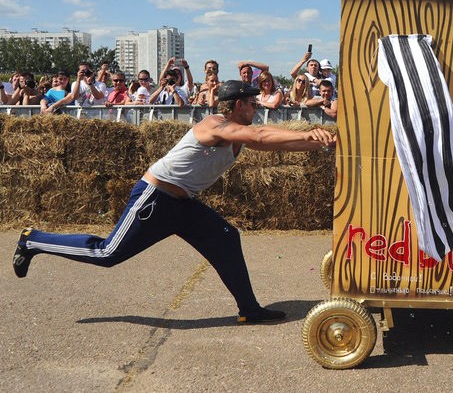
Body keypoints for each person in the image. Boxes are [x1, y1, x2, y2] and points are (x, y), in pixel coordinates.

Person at [12, 80, 337, 324]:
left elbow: (268, 144)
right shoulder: (215, 125)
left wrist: (320, 143)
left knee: (226, 237)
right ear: (238, 105)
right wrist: (310, 134)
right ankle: (32, 240)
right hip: (156, 198)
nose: (256, 108)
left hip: (185, 205)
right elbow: (262, 136)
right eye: (252, 103)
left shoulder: (238, 133)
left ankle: (249, 310)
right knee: (108, 253)